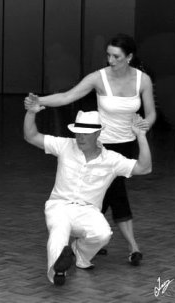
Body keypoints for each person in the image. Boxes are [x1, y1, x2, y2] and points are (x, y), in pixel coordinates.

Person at [24, 33, 156, 265]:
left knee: (100, 192)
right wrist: (40, 102)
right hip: (100, 143)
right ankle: (130, 246)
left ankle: (91, 239)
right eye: (108, 55)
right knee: (115, 191)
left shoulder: (142, 80)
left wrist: (144, 126)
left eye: (116, 56)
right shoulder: (99, 77)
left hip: (126, 143)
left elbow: (151, 112)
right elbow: (67, 96)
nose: (110, 60)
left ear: (129, 57)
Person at [23, 106, 152, 286]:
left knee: (103, 234)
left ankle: (80, 255)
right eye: (78, 132)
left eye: (86, 133)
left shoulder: (111, 160)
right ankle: (57, 271)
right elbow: (31, 136)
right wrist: (31, 112)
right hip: (60, 206)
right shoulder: (65, 145)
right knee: (59, 230)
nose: (80, 137)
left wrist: (141, 136)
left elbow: (144, 168)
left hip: (88, 211)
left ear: (98, 133)